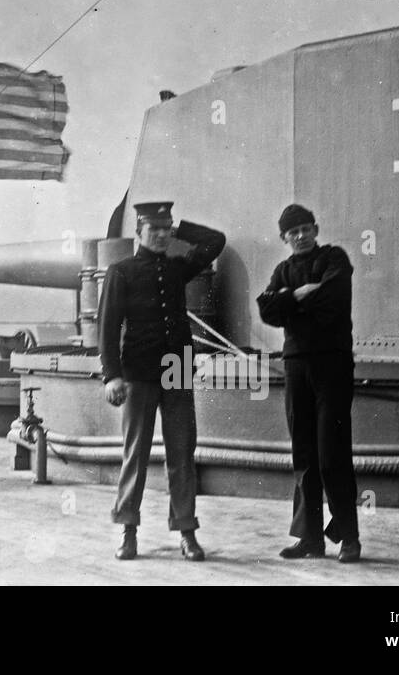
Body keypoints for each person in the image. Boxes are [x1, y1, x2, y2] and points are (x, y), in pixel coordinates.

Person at [99, 201, 226, 561]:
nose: (160, 235)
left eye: (165, 229)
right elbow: (107, 329)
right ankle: (128, 530)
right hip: (138, 370)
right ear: (138, 231)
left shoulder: (176, 269)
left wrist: (182, 227)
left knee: (182, 453)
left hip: (178, 367)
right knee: (135, 454)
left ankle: (186, 531)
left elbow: (216, 241)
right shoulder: (120, 272)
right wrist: (112, 376)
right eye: (153, 229)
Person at [256, 204, 360, 563]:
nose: (300, 236)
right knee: (304, 455)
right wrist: (298, 295)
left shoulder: (335, 258)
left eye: (305, 229)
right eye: (293, 232)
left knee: (332, 454)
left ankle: (349, 537)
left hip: (331, 363)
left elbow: (332, 300)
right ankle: (310, 538)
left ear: (316, 229)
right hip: (296, 366)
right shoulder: (282, 270)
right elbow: (266, 310)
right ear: (284, 238)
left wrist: (288, 302)